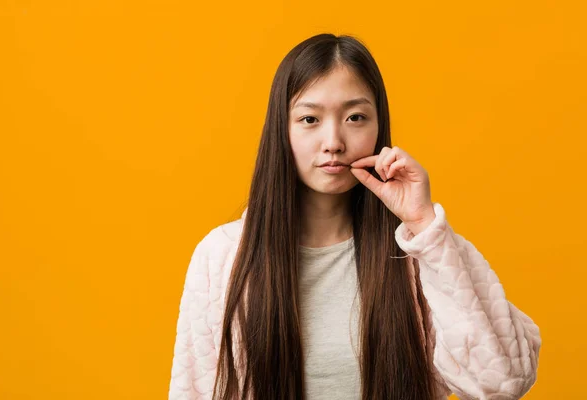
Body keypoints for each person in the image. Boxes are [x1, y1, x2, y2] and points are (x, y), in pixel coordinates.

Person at [168, 33, 541, 400]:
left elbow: (502, 382)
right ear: (282, 130)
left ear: (380, 128)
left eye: (355, 117)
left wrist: (424, 224)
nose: (333, 141)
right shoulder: (222, 256)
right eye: (310, 119)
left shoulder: (418, 250)